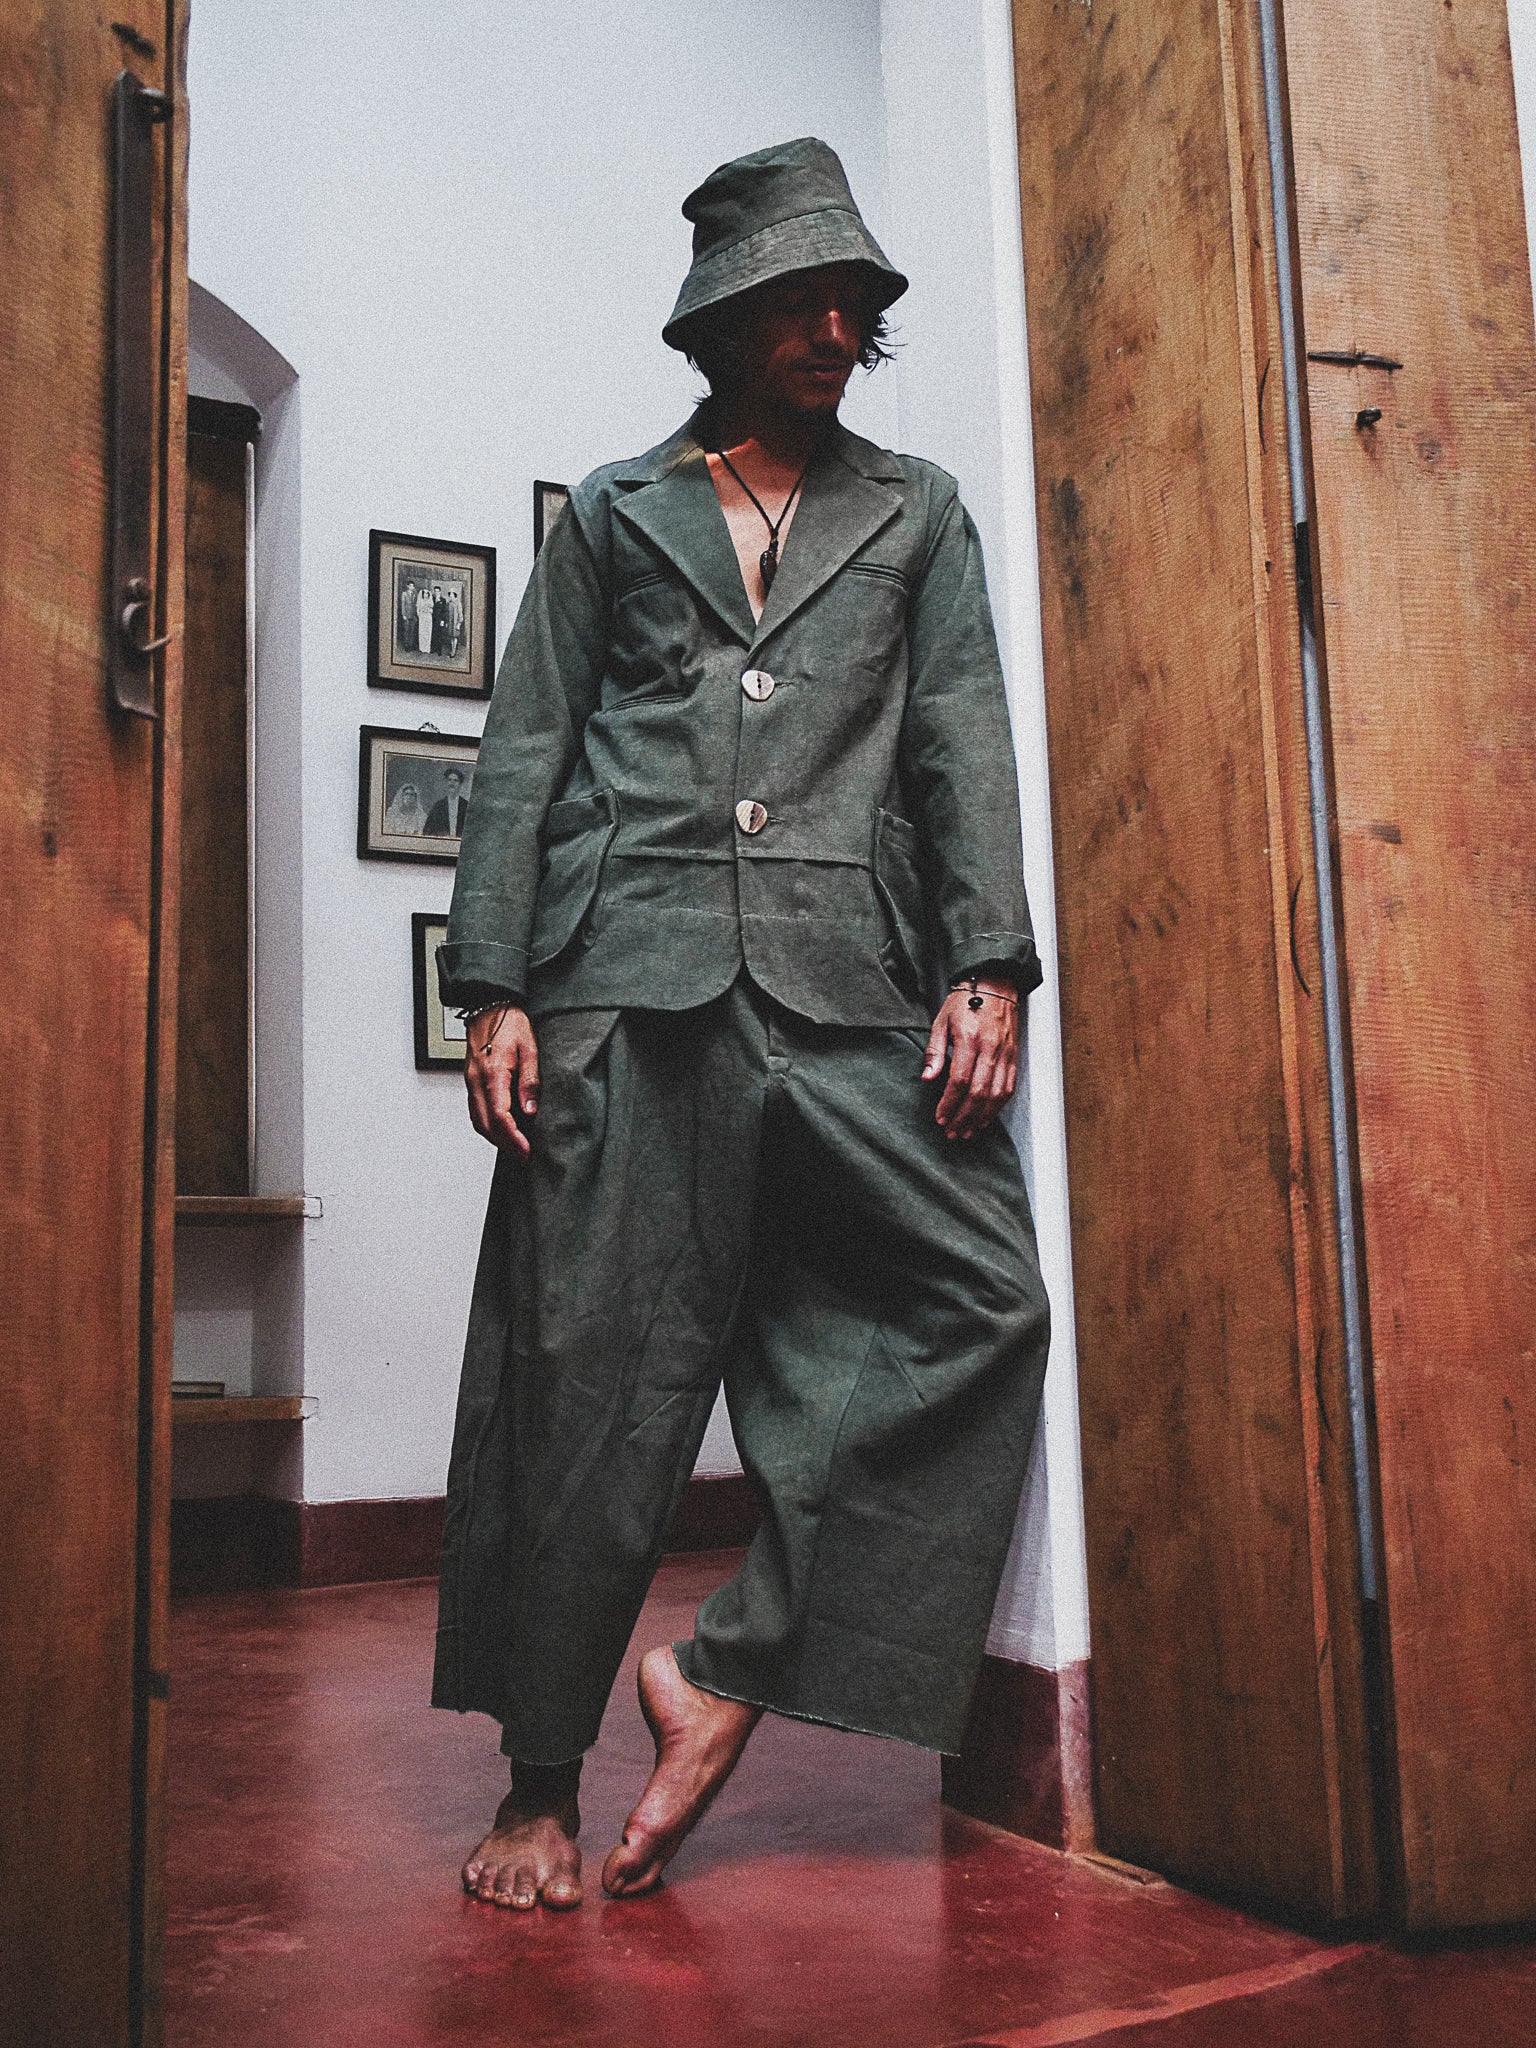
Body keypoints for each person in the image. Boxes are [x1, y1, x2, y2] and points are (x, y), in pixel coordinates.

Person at [433, 137, 1050, 1914]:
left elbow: (958, 731)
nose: (839, 323)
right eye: (804, 295)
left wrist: (984, 957)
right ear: (724, 320)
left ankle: (720, 1668)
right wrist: (496, 985)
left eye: (856, 298)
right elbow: (527, 756)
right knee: (585, 1379)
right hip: (626, 992)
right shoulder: (617, 514)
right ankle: (540, 1781)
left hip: (849, 983)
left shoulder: (916, 510)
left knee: (976, 1298)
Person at [423, 765, 470, 837]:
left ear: (460, 784)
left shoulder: (466, 805)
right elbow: (428, 830)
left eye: (455, 781)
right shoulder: (438, 806)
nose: (452, 783)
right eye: (449, 780)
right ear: (446, 783)